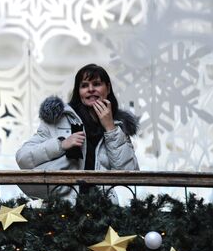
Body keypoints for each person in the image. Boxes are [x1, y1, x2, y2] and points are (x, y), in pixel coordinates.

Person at [16, 63, 139, 198]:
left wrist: (110, 128)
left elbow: (130, 174)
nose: (90, 89)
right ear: (78, 91)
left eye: (96, 84)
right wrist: (61, 145)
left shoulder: (119, 126)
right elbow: (23, 158)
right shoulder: (58, 119)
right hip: (63, 209)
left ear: (108, 88)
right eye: (84, 85)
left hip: (103, 211)